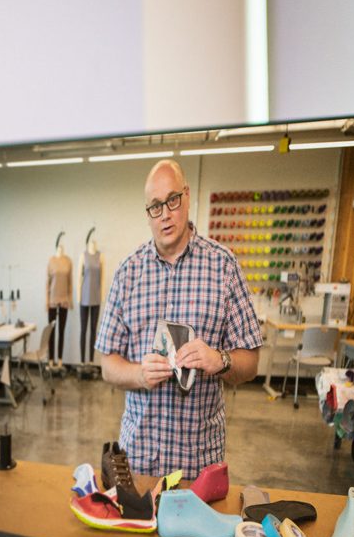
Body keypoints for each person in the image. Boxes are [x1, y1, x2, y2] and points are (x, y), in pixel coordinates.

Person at [95, 159, 262, 479]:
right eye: (155, 206)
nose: (166, 214)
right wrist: (139, 374)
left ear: (186, 196)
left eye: (172, 200)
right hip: (138, 458)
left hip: (198, 463)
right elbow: (108, 366)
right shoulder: (128, 272)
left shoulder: (224, 267)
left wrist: (220, 359)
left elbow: (251, 363)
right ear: (148, 214)